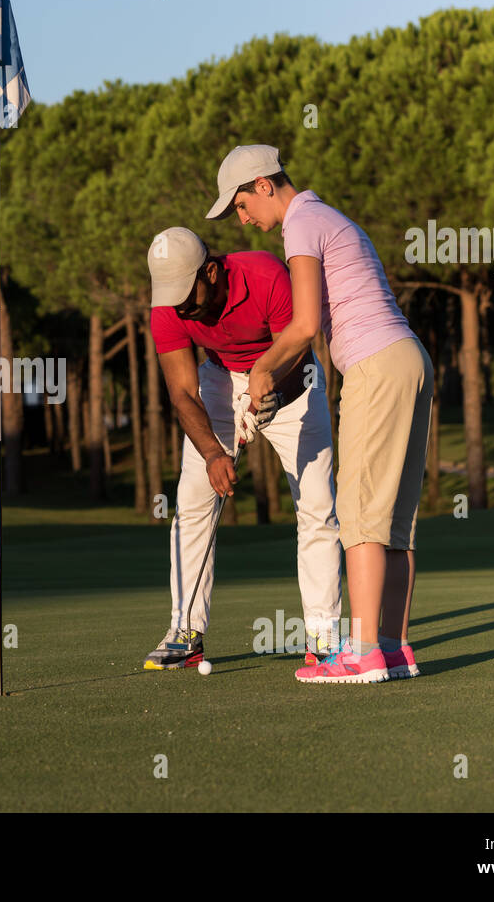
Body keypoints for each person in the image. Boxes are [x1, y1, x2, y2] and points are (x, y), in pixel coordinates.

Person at [206, 144, 432, 684]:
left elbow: (305, 323)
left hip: (376, 366)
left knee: (358, 515)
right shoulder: (331, 215)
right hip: (411, 359)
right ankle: (394, 649)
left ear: (263, 185)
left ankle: (362, 653)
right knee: (394, 522)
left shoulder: (301, 223)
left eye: (240, 205)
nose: (242, 220)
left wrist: (261, 370)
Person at [143, 226, 342, 670]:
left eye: (187, 296)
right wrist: (214, 454)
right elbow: (182, 394)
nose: (181, 308)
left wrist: (266, 398)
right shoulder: (168, 307)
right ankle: (185, 631)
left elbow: (296, 348)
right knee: (193, 504)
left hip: (294, 380)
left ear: (210, 272)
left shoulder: (266, 274)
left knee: (317, 506)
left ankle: (324, 635)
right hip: (218, 381)